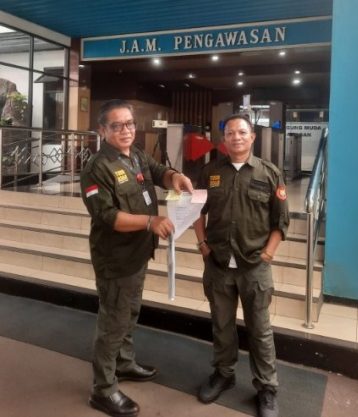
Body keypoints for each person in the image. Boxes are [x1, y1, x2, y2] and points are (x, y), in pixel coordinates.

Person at [80, 99, 193, 417]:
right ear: (103, 130)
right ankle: (103, 389)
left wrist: (174, 177)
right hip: (115, 258)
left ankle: (124, 363)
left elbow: (158, 172)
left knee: (129, 313)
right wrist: (150, 222)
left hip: (139, 253)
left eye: (129, 123)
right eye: (117, 126)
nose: (126, 130)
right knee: (112, 322)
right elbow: (108, 216)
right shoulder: (96, 168)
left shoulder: (137, 155)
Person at [193, 114, 289, 417]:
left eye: (242, 132)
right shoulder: (210, 172)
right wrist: (202, 244)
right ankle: (224, 374)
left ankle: (267, 388)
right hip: (218, 263)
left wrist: (268, 255)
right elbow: (197, 211)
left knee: (259, 330)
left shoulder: (269, 173)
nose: (236, 137)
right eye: (230, 133)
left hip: (254, 266)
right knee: (222, 325)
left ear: (252, 137)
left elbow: (281, 221)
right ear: (223, 139)